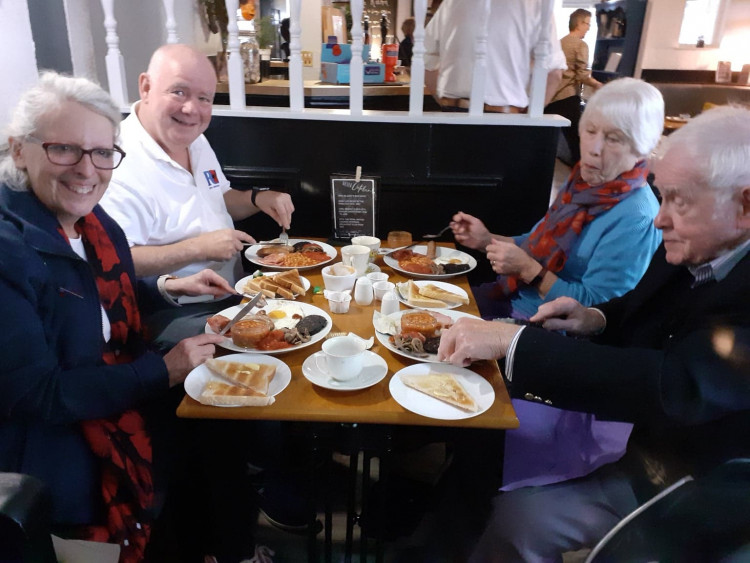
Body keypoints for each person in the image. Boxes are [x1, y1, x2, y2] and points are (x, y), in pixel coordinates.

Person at [438, 105, 750, 560]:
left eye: (679, 200)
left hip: (693, 482)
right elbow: (637, 306)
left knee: (517, 518)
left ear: (745, 205)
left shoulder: (654, 223)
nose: (661, 219)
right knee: (477, 423)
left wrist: (513, 341)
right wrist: (595, 319)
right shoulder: (697, 239)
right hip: (643, 436)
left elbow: (675, 386)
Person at [0, 72, 237, 561]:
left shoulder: (92, 222)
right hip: (50, 443)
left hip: (116, 386)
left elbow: (101, 297)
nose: (87, 170)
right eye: (64, 149)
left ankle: (206, 546)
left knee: (222, 418)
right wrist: (162, 370)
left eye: (103, 153)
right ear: (18, 150)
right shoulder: (10, 250)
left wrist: (169, 288)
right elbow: (38, 395)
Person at [450, 77, 663, 495]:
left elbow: (599, 313)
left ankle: (461, 490)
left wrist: (530, 271)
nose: (595, 147)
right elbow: (535, 242)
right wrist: (488, 239)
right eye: (590, 131)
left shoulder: (636, 215)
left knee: (450, 362)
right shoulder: (584, 185)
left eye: (614, 138)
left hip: (553, 338)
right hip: (514, 307)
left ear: (641, 147)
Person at [100, 43, 294, 347]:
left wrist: (259, 198)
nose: (191, 109)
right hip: (171, 312)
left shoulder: (193, 136)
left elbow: (218, 197)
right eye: (179, 92)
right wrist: (197, 248)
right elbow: (117, 260)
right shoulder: (117, 163)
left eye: (204, 98)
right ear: (146, 87)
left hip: (235, 293)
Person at [423, 0, 567, 113]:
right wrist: (531, 115)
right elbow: (553, 74)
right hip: (505, 116)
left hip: (453, 111)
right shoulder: (537, 5)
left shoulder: (452, 2)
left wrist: (443, 100)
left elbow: (425, 61)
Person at [546, 9, 603, 166]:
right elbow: (582, 76)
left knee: (548, 142)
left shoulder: (560, 43)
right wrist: (600, 85)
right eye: (588, 24)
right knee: (579, 142)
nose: (589, 28)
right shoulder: (580, 45)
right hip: (567, 97)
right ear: (579, 23)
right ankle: (581, 178)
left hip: (551, 97)